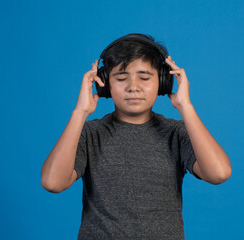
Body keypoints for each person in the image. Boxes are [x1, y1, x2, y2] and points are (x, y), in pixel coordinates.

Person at [41, 33, 232, 239]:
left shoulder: (175, 133)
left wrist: (186, 107)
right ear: (104, 83)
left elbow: (219, 173)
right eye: (121, 78)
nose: (133, 87)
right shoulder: (89, 133)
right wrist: (80, 112)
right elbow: (53, 183)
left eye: (144, 77)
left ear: (162, 81)